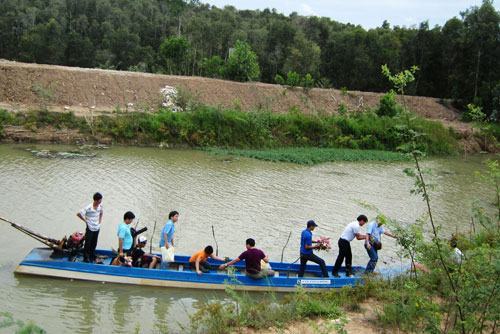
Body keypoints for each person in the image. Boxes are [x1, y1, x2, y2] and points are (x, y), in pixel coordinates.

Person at [77, 192, 103, 263]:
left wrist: (100, 222)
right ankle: (86, 257)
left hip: (97, 227)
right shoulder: (88, 207)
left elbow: (101, 213)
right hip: (90, 227)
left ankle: (92, 255)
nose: (100, 201)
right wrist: (86, 221)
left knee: (94, 242)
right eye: (99, 200)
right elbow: (78, 214)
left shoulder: (100, 206)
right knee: (88, 243)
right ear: (96, 200)